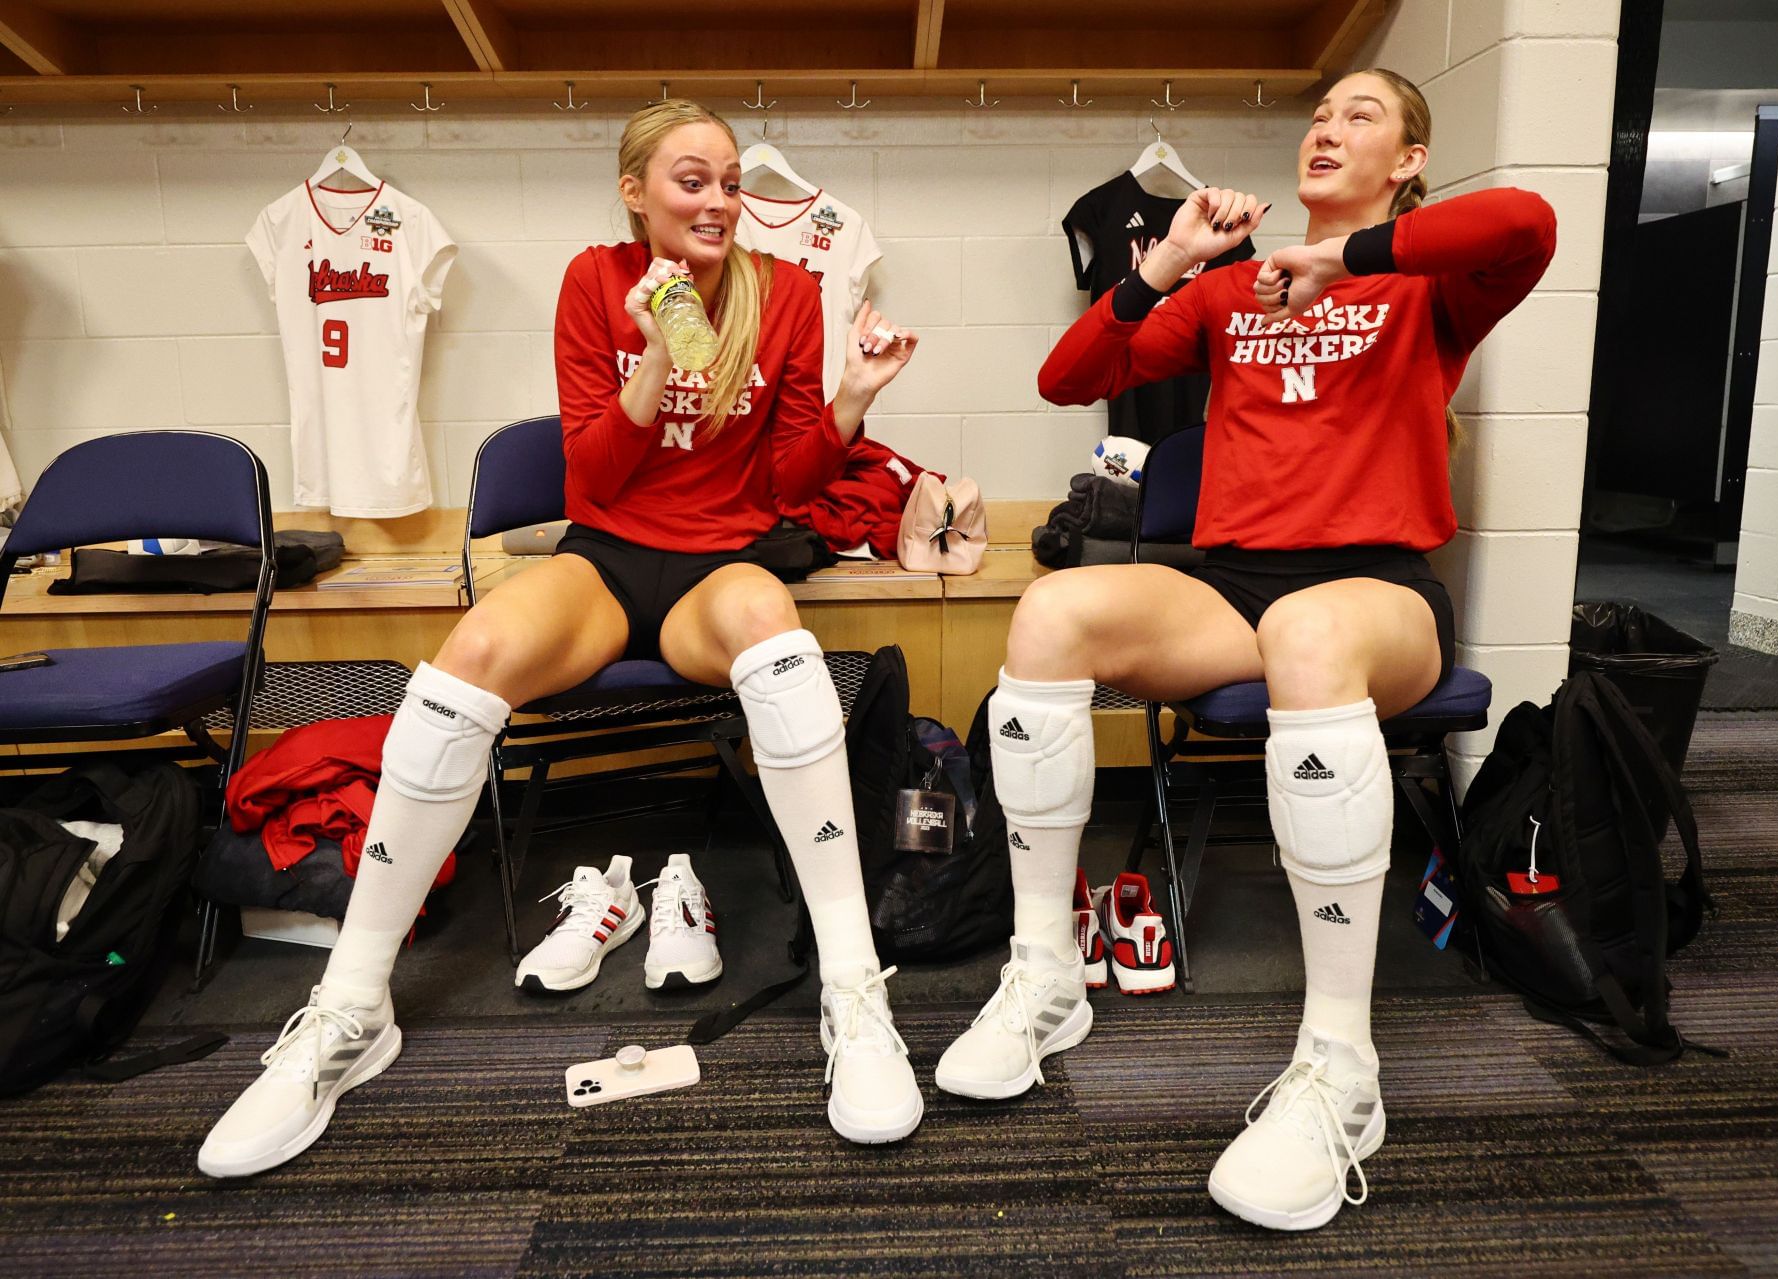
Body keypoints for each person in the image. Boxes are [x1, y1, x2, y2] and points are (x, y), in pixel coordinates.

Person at [199, 99, 926, 1177]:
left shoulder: (781, 291)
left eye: (730, 182)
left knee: (777, 634)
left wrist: (852, 401)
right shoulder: (595, 281)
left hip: (720, 564)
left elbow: (785, 484)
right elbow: (593, 476)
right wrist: (651, 355)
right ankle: (350, 1008)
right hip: (608, 557)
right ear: (636, 191)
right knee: (471, 655)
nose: (720, 202)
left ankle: (854, 993)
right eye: (692, 180)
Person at [933, 68, 1555, 1231]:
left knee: (1310, 632)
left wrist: (1346, 261)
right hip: (1234, 586)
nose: (1327, 128)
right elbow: (1069, 377)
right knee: (1053, 612)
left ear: (1409, 160)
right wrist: (1170, 261)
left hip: (1379, 591)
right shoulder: (1231, 291)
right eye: (1319, 115)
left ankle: (1342, 1069)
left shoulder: (1430, 285)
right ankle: (1047, 976)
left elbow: (1526, 221)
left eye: (1361, 115)